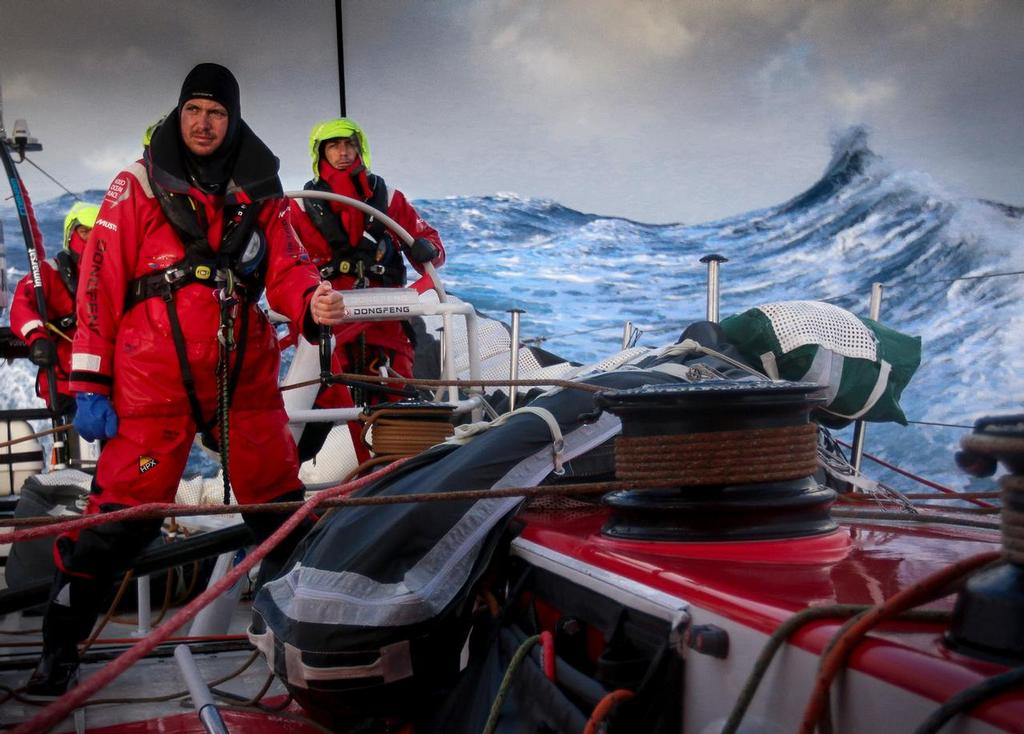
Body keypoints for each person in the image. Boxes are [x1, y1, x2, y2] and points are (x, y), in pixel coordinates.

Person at [26, 63, 346, 695]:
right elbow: (96, 288)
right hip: (153, 385)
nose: (203, 123)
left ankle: (314, 631)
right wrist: (90, 384)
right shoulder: (134, 187)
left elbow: (289, 265)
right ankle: (58, 646)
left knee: (277, 511)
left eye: (216, 113)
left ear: (233, 121)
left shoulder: (262, 191)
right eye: (194, 110)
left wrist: (312, 300)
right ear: (178, 114)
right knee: (122, 521)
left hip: (243, 380)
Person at [289, 118, 445, 459]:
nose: (343, 153)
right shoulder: (298, 207)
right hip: (329, 321)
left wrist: (427, 250)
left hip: (386, 319)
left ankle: (393, 472)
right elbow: (285, 267)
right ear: (320, 153)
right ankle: (303, 476)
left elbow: (431, 247)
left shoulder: (389, 199)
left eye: (350, 145)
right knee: (324, 401)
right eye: (334, 146)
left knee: (393, 395)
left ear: (361, 149)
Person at [9, 202, 99, 417]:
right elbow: (22, 305)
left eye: (97, 233)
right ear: (70, 235)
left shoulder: (117, 276)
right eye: (85, 232)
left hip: (111, 382)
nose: (91, 239)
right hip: (63, 383)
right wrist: (37, 337)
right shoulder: (47, 273)